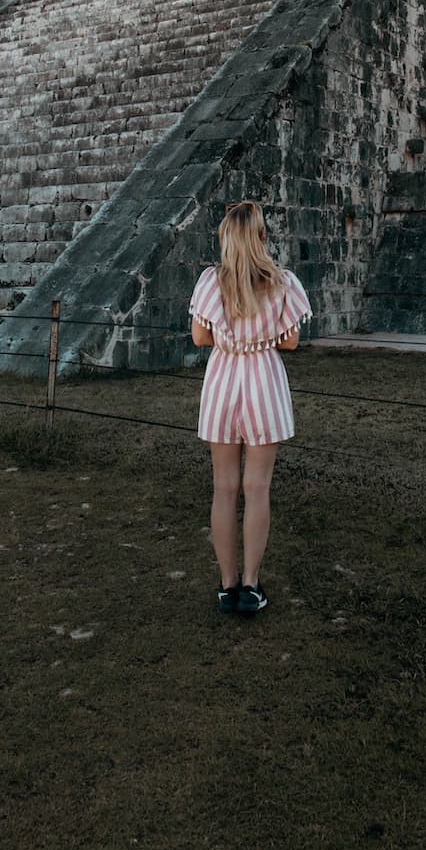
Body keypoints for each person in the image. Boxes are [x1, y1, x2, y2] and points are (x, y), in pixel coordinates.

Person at [188, 200, 311, 617]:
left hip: (223, 379)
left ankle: (227, 585)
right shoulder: (281, 282)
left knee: (223, 487)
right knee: (257, 488)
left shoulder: (211, 282)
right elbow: (291, 341)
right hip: (264, 381)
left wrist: (233, 337)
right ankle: (251, 586)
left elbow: (200, 338)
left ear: (227, 237)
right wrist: (259, 337)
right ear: (261, 237)